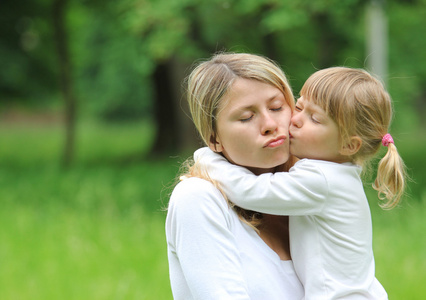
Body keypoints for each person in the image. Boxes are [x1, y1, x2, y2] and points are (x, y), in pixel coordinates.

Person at [196, 66, 407, 299]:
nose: (295, 121)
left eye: (314, 119)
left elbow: (252, 191)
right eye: (298, 106)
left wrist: (207, 158)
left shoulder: (322, 180)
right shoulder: (335, 175)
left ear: (348, 145)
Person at [165, 52, 304, 299]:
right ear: (213, 138)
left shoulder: (310, 194)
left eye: (277, 107)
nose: (270, 124)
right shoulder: (199, 198)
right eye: (246, 117)